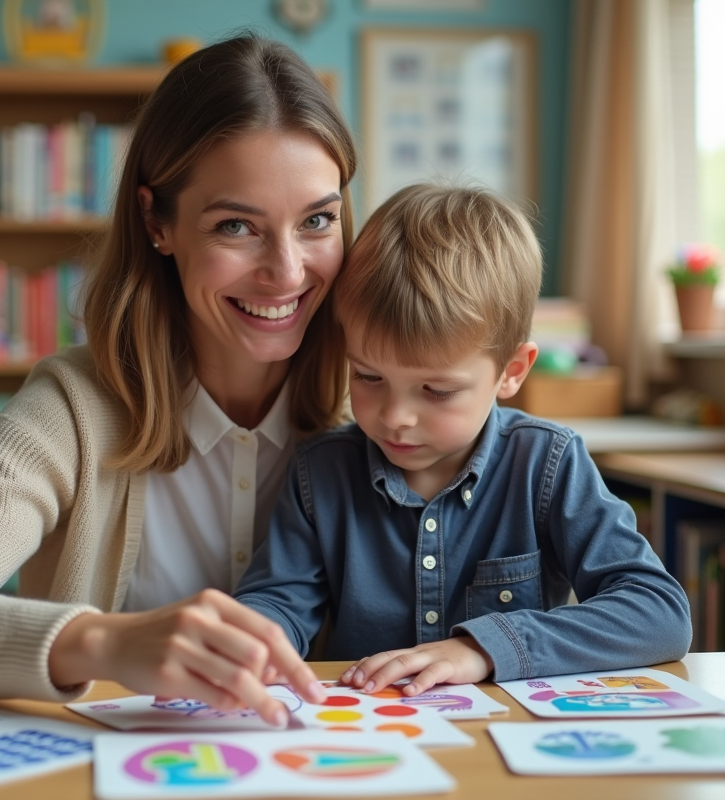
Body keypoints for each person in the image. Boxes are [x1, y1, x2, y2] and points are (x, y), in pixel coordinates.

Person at [0, 34, 357, 725]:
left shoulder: (383, 401)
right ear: (156, 222)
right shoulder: (73, 408)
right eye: (237, 226)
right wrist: (103, 642)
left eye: (317, 220)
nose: (288, 272)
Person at [234, 183, 691, 696]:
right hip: (378, 742)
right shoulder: (321, 473)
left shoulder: (546, 463)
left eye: (437, 390)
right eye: (367, 377)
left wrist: (483, 647)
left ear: (512, 371)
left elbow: (659, 613)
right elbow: (278, 603)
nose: (396, 417)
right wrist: (249, 646)